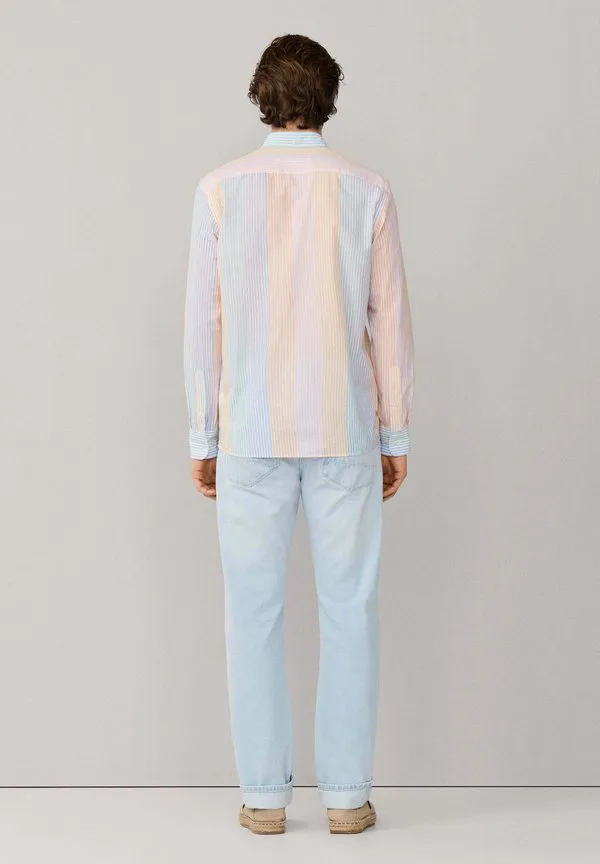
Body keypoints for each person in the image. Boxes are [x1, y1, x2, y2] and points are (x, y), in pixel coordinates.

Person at [184, 33, 414, 835]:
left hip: (250, 429)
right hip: (344, 424)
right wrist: (394, 435)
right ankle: (347, 797)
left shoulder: (219, 190)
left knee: (252, 613)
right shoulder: (367, 190)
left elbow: (204, 323)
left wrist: (203, 435)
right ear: (329, 97)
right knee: (350, 609)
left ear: (262, 96)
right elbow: (390, 321)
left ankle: (264, 798)